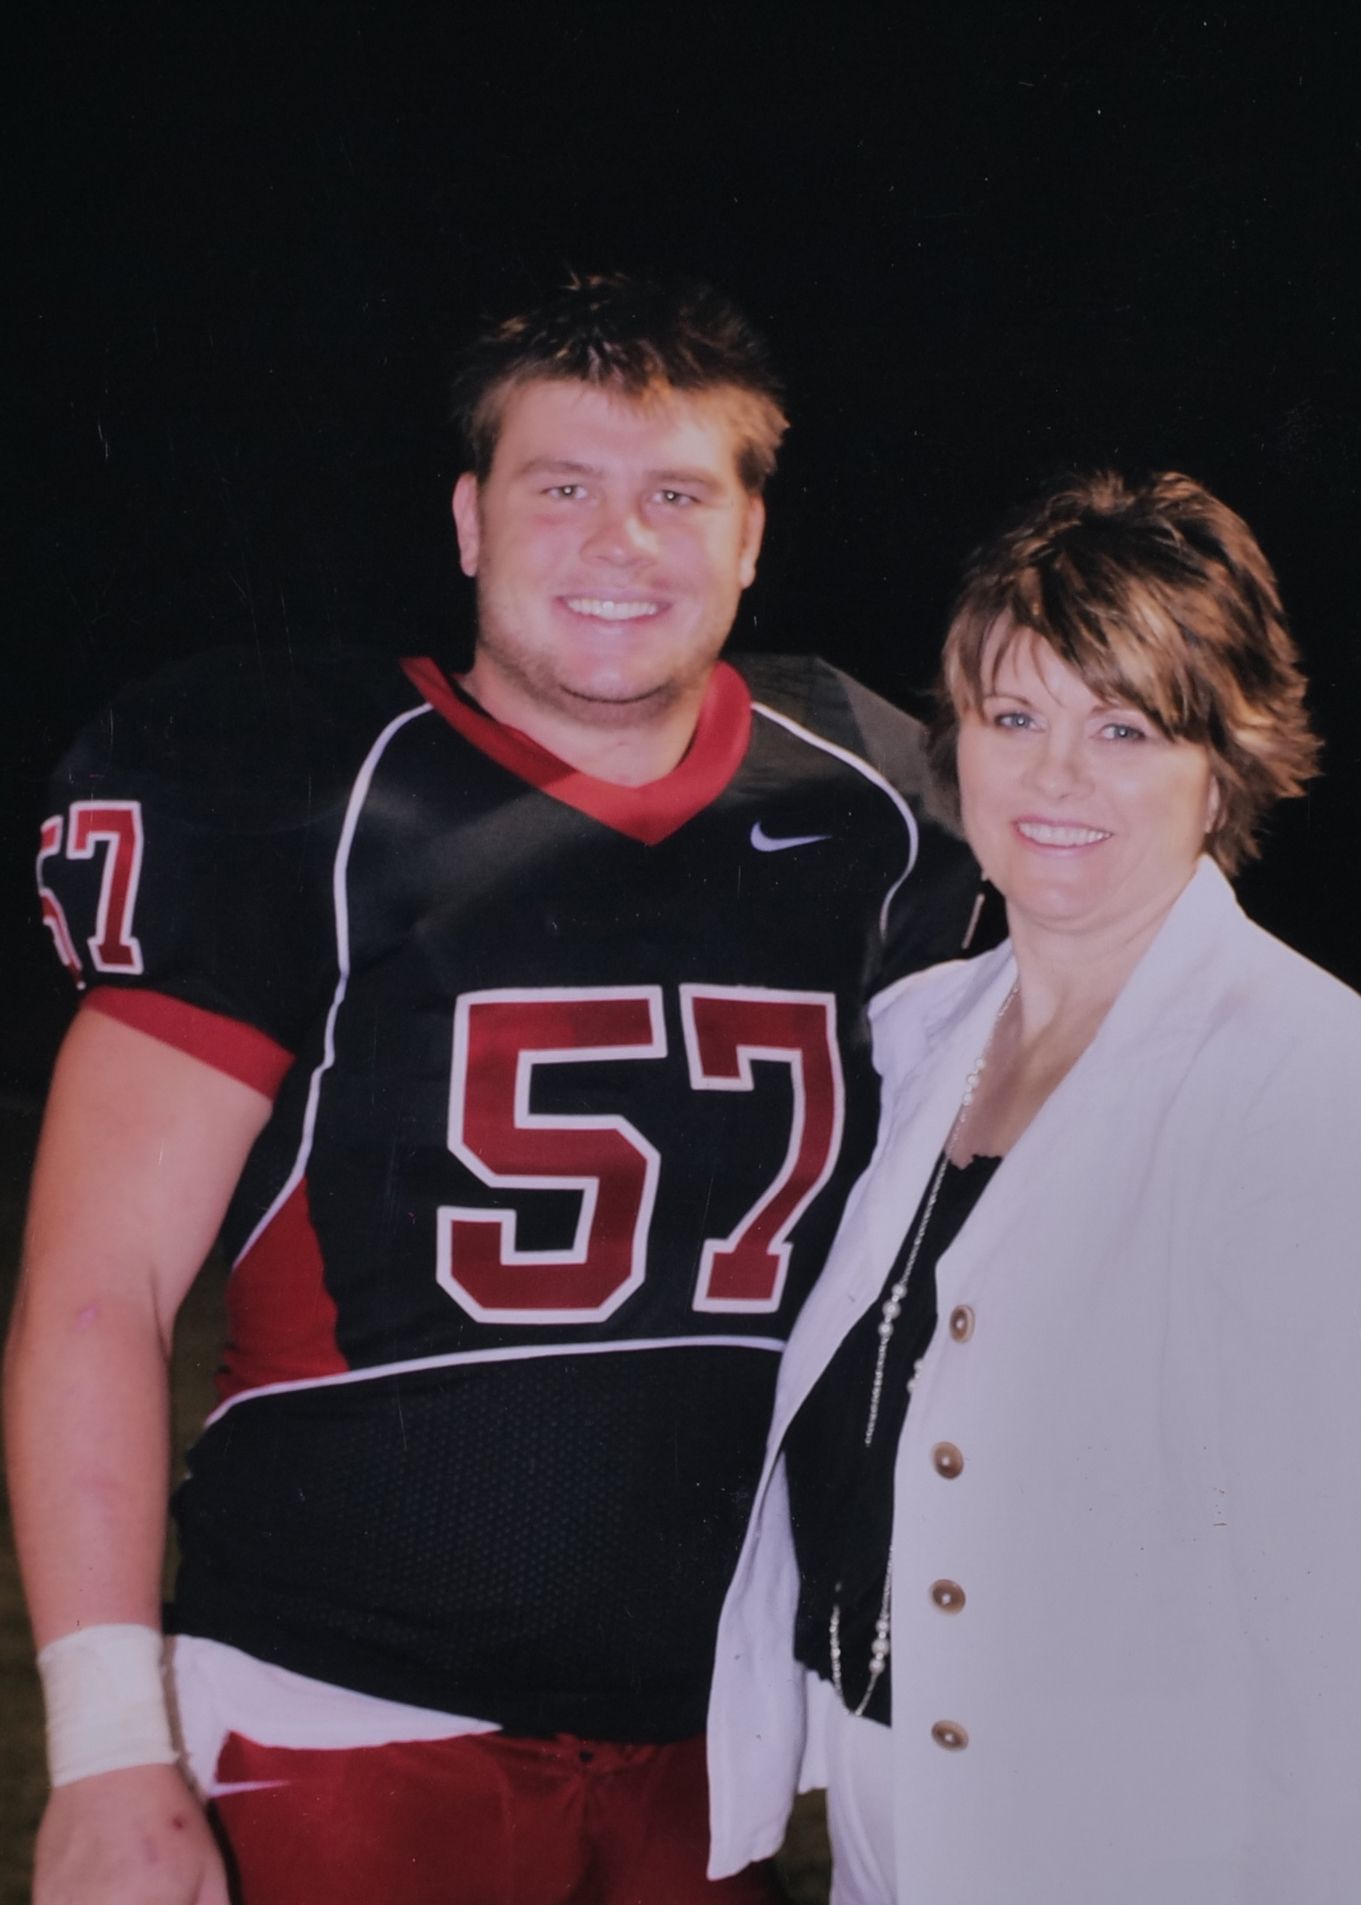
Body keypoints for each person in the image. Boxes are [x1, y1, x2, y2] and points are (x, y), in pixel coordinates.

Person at [4, 272, 981, 1905]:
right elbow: (100, 1288)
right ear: (469, 520)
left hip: (711, 1739)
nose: (620, 542)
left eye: (677, 495)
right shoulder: (310, 792)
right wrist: (110, 1747)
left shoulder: (877, 806)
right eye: (562, 487)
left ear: (749, 534)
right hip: (338, 1722)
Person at [707, 469, 1361, 1904]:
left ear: (1223, 765)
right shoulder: (915, 1033)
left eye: (1123, 728)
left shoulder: (1305, 1078)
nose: (1056, 776)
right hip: (886, 1814)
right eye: (1014, 718)